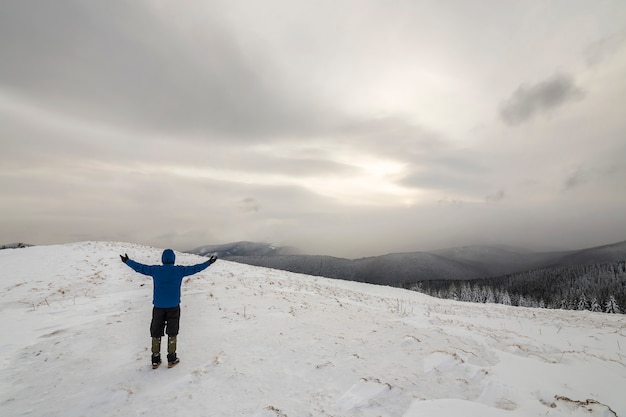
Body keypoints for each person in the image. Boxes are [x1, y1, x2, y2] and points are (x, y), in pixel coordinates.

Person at [120, 249, 217, 369]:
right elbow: (196, 268)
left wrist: (127, 261)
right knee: (172, 331)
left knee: (156, 331)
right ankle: (172, 358)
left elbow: (140, 267)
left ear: (163, 259)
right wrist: (209, 262)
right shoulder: (179, 270)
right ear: (173, 259)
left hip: (158, 307)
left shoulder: (156, 270)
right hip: (173, 307)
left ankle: (155, 359)